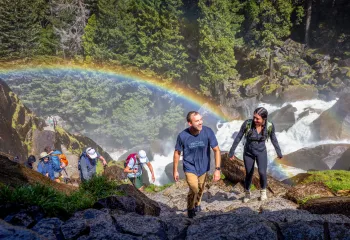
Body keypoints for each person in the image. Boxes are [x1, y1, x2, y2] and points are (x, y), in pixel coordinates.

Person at [228, 107, 283, 203]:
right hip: (248, 152)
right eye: (254, 117)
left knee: (262, 172)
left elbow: (274, 139)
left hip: (261, 152)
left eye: (257, 118)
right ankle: (247, 193)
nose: (255, 120)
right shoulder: (247, 124)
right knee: (249, 173)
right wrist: (232, 151)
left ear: (264, 119)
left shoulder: (270, 126)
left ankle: (263, 192)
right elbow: (238, 137)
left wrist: (279, 152)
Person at [173, 111, 221, 218]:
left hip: (203, 166)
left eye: (201, 120)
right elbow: (177, 153)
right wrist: (175, 170)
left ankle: (197, 203)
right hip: (189, 166)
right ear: (190, 123)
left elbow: (217, 150)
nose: (200, 123)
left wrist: (217, 169)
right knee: (194, 188)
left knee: (200, 188)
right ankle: (190, 208)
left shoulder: (208, 132)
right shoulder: (183, 136)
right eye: (197, 121)